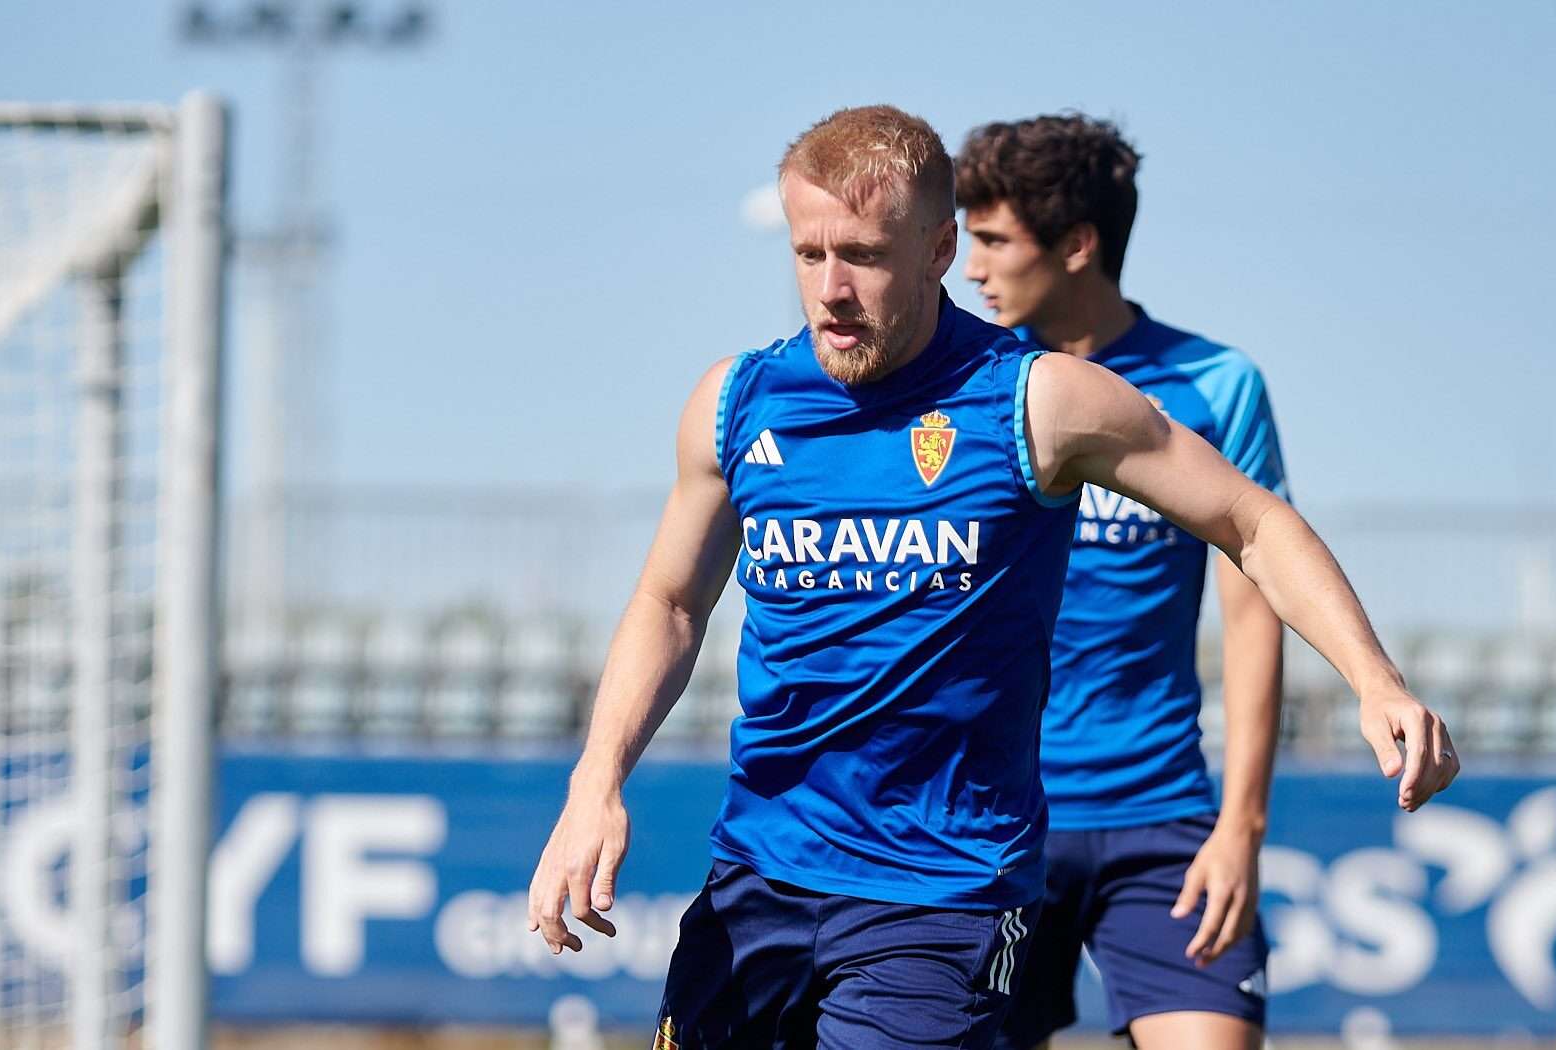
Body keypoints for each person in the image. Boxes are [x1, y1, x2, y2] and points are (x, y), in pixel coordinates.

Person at [526, 104, 1457, 1050]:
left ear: (937, 249)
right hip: (756, 879)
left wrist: (1375, 681)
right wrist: (594, 784)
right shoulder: (735, 401)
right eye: (809, 255)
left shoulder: (1039, 400)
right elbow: (671, 602)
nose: (832, 288)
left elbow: (1251, 523)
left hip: (942, 895)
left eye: (864, 254)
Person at [956, 112, 1449, 1050]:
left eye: (991, 240)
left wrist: (1241, 828)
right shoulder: (968, 390)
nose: (971, 267)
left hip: (1161, 818)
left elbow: (1255, 606)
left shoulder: (1213, 386)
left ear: (1075, 245)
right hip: (992, 824)